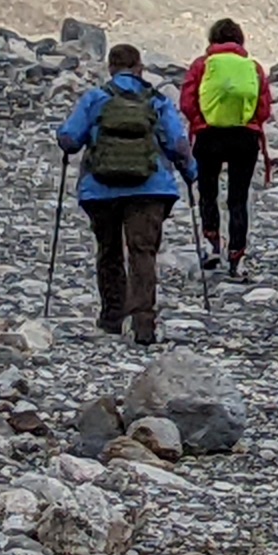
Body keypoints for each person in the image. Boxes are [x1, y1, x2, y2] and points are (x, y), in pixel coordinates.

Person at [55, 40, 193, 343]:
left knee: (109, 252)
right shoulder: (156, 100)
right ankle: (143, 324)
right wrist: (191, 174)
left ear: (111, 68)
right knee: (142, 252)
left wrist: (64, 139)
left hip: (100, 190)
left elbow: (70, 139)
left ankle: (111, 318)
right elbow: (179, 146)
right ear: (139, 67)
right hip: (150, 189)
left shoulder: (96, 98)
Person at [178, 18, 272, 274]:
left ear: (212, 40)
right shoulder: (252, 67)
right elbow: (263, 109)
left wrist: (200, 121)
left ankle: (211, 245)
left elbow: (187, 102)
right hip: (245, 137)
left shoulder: (202, 65)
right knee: (238, 198)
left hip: (208, 136)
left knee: (208, 192)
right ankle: (237, 255)